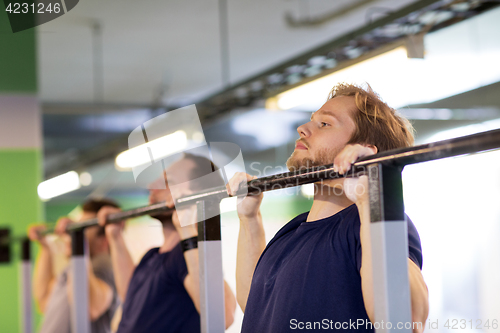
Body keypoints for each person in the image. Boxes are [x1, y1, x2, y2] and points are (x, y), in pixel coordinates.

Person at [228, 83, 429, 333]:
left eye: (325, 124)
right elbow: (256, 306)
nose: (302, 129)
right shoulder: (292, 231)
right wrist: (249, 218)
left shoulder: (372, 221)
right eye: (312, 121)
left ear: (363, 149)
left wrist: (371, 199)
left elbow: (406, 319)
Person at [97, 153, 236, 333]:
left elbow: (223, 317)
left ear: (194, 193)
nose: (151, 187)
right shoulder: (153, 255)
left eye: (167, 181)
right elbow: (130, 298)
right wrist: (115, 237)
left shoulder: (186, 257)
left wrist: (186, 226)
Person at [28, 198, 121, 333]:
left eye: (83, 229)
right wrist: (46, 248)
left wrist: (79, 244)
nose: (72, 234)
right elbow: (43, 301)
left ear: (104, 239)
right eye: (77, 227)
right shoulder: (76, 267)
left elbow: (90, 308)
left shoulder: (104, 265)